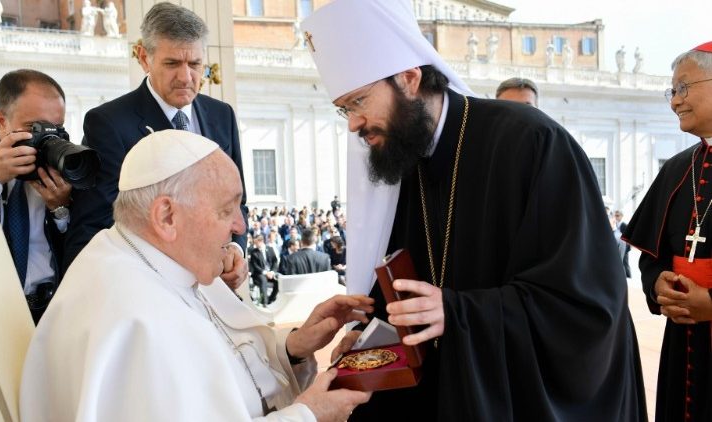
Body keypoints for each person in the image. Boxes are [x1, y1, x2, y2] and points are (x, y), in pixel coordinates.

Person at [302, 0, 647, 420]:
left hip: (509, 397)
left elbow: (588, 305)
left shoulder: (530, 143)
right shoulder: (404, 156)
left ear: (409, 79)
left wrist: (460, 312)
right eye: (344, 110)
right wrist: (368, 336)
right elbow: (407, 276)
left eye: (358, 102)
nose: (353, 124)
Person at [19, 129, 373, 421]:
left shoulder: (149, 258)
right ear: (167, 217)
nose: (239, 226)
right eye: (226, 209)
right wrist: (309, 416)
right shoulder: (135, 318)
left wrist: (293, 348)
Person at [65, 2, 248, 287]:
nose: (186, 77)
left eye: (195, 64)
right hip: (150, 293)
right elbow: (95, 225)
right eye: (172, 63)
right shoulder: (109, 124)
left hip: (220, 293)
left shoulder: (221, 115)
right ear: (143, 58)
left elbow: (237, 202)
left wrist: (235, 249)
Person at [622, 41, 712, 422]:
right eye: (672, 91)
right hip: (682, 345)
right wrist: (657, 283)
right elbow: (650, 257)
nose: (675, 101)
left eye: (684, 88)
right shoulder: (678, 169)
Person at [0, 69, 72, 324]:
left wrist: (61, 209)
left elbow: (83, 238)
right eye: (34, 127)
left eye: (57, 128)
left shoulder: (64, 158)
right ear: (1, 119)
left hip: (53, 308)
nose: (47, 137)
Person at [248, 233, 278, 306]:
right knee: (263, 280)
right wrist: (265, 273)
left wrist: (272, 272)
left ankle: (270, 299)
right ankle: (264, 302)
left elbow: (275, 261)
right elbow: (255, 266)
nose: (255, 245)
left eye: (256, 243)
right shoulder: (254, 252)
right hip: (259, 273)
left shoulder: (270, 249)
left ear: (261, 241)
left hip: (270, 272)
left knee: (278, 280)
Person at [614, 209, 632, 278]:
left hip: (625, 246)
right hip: (618, 245)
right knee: (621, 262)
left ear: (621, 216)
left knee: (625, 262)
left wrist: (627, 248)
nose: (616, 217)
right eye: (615, 215)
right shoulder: (615, 224)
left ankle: (628, 276)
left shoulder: (624, 225)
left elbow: (628, 237)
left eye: (618, 215)